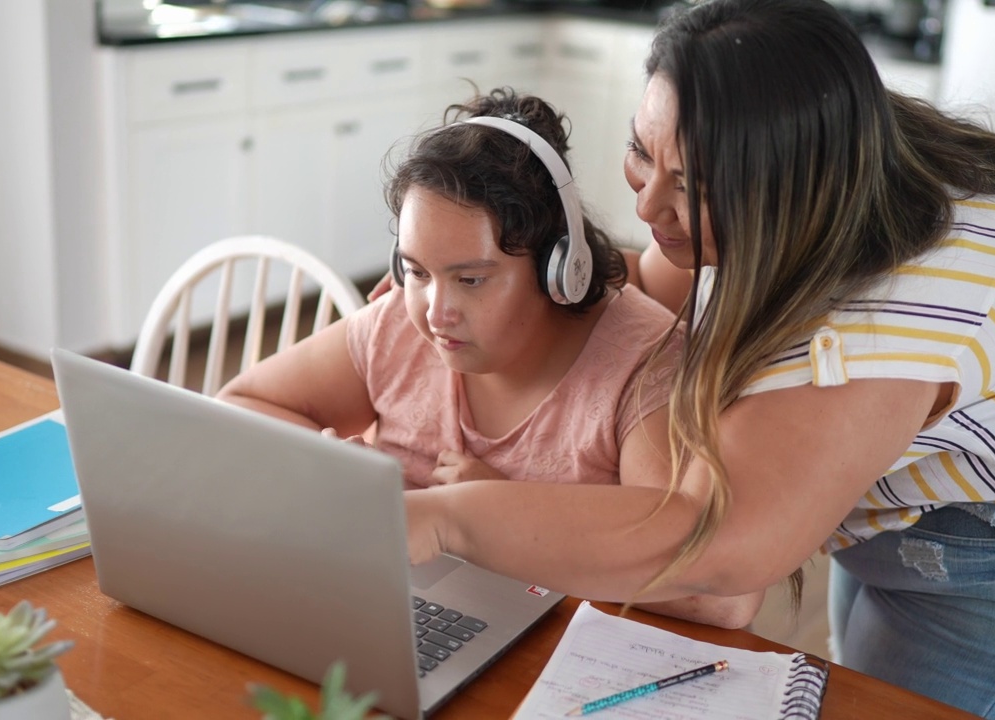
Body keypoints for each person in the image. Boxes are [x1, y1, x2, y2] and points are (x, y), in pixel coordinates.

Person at [400, 2, 995, 718]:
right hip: (908, 510)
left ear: (788, 192)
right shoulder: (798, 151)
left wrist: (445, 521)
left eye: (689, 186)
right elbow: (651, 286)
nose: (644, 207)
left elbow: (716, 543)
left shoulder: (897, 314)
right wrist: (478, 280)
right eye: (641, 150)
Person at [217, 88, 764, 629]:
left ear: (560, 269)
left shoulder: (644, 367)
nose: (436, 312)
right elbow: (240, 405)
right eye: (417, 270)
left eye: (471, 279)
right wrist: (329, 469)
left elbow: (714, 596)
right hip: (392, 616)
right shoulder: (399, 326)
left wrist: (492, 517)